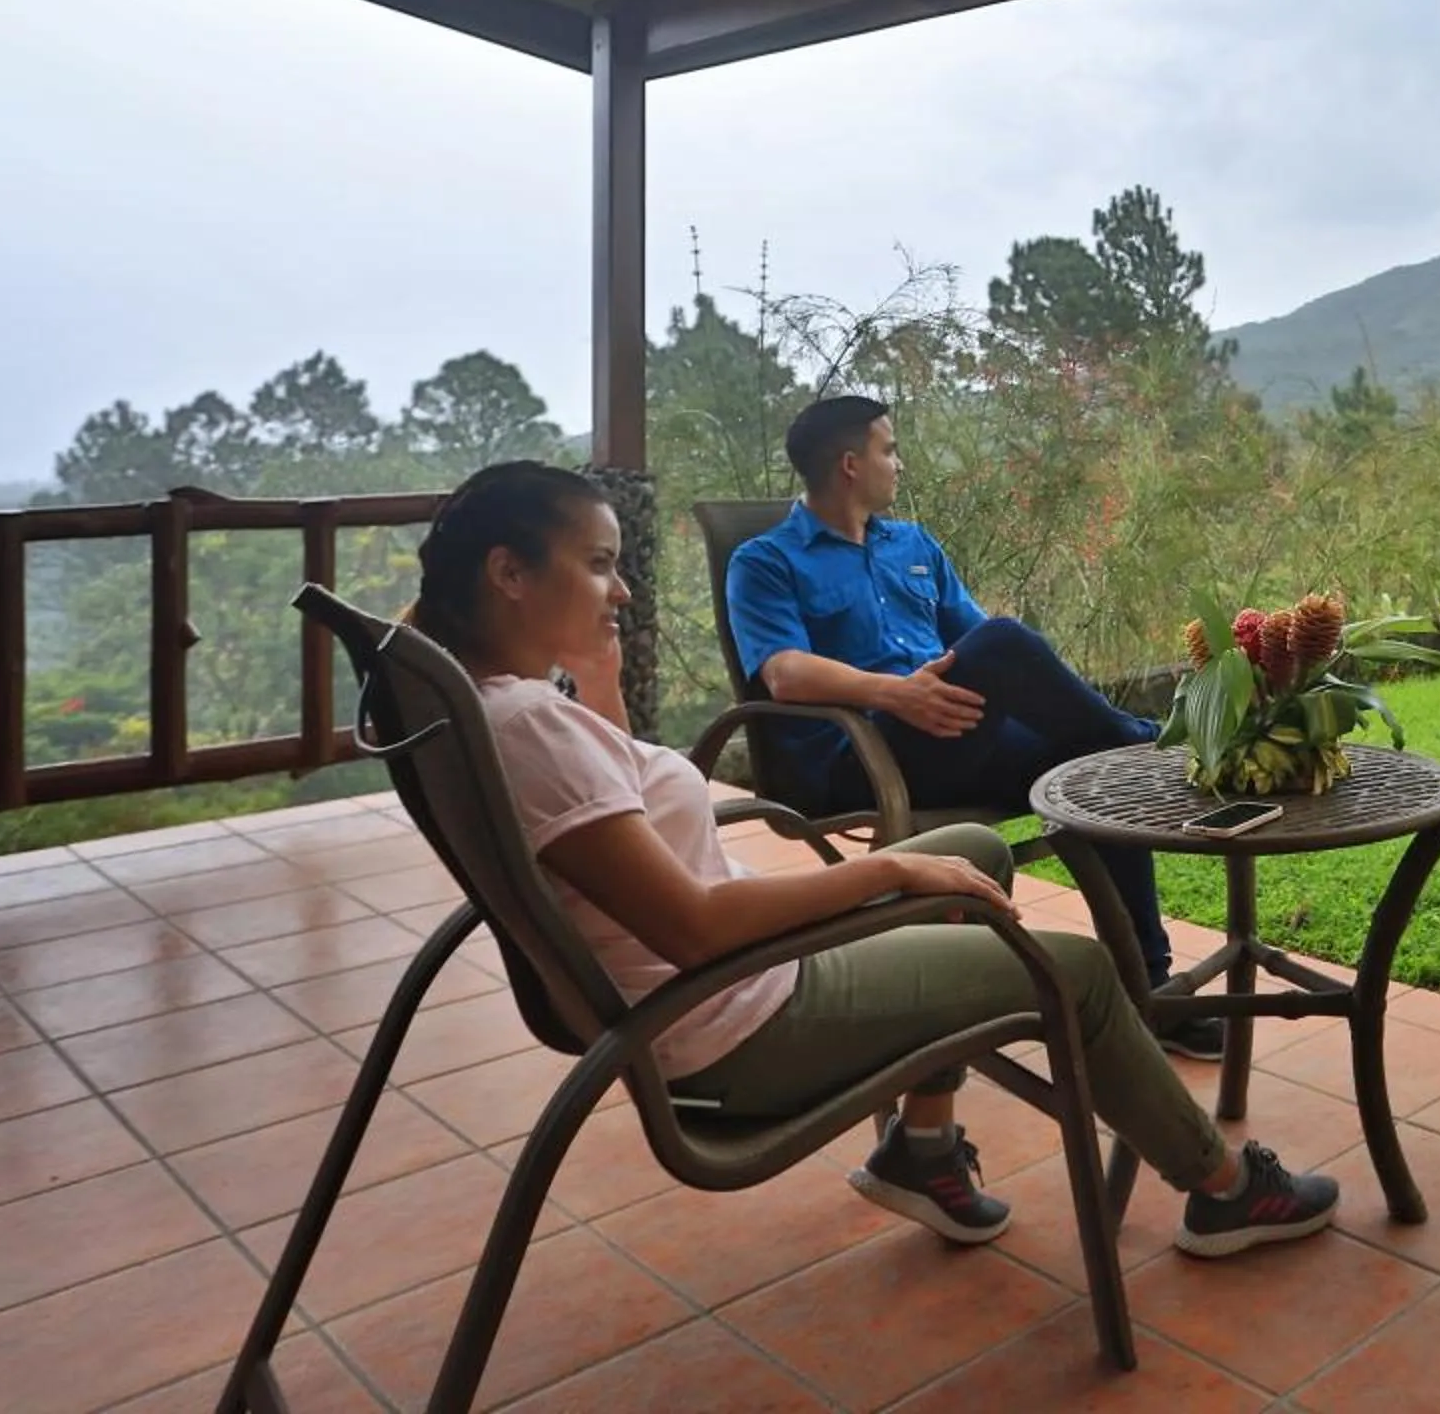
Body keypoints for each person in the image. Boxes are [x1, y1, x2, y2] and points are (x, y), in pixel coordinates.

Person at [411, 461, 1339, 1255]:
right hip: (733, 1018)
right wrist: (888, 870)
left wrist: (602, 685)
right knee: (1080, 971)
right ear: (509, 574)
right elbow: (691, 928)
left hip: (721, 983)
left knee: (974, 850)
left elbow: (616, 811)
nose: (622, 590)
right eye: (601, 565)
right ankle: (1224, 1191)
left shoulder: (500, 705)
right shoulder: (532, 725)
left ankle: (922, 1149)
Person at [723, 395, 1222, 1060]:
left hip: (953, 735)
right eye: (888, 449)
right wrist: (895, 694)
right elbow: (784, 672)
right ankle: (1145, 742)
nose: (898, 463)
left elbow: (982, 646)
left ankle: (1151, 989)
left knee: (1089, 764)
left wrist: (977, 682)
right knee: (1029, 662)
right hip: (863, 755)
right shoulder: (765, 562)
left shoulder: (913, 544)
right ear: (850, 464)